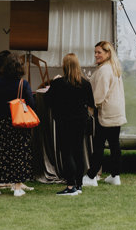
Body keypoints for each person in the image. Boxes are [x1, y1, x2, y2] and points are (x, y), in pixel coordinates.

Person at [44, 53, 95, 196]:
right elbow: (91, 104)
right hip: (80, 121)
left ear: (64, 66)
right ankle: (79, 184)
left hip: (64, 121)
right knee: (78, 152)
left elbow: (48, 100)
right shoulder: (85, 83)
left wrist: (53, 82)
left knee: (67, 153)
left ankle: (70, 185)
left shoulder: (58, 83)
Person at [0, 52, 36, 196]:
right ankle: (17, 187)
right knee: (19, 153)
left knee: (1, 153)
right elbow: (31, 103)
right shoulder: (23, 83)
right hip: (18, 121)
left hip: (2, 121)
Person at [86, 40, 126, 186]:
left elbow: (100, 94)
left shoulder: (104, 70)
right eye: (95, 52)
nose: (96, 55)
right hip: (116, 111)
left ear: (108, 53)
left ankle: (91, 177)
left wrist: (90, 107)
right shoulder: (114, 67)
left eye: (99, 52)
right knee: (114, 145)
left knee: (99, 145)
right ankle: (115, 175)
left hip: (106, 112)